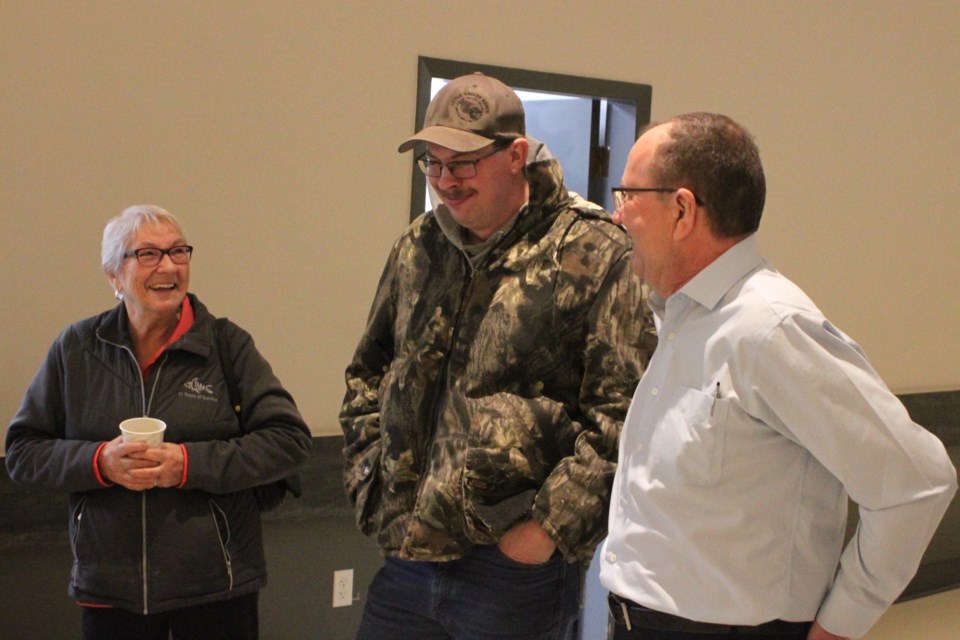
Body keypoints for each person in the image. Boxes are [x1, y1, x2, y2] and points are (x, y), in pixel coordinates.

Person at [600, 112, 958, 640]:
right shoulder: (681, 317)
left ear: (681, 210)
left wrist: (839, 626)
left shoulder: (769, 328)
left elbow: (917, 483)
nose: (617, 216)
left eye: (628, 195)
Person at [340, 72, 655, 640]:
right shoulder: (419, 246)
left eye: (462, 163)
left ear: (515, 155)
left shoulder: (591, 251)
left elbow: (625, 413)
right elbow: (369, 370)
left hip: (511, 570)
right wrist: (372, 479)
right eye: (432, 164)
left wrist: (547, 530)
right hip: (408, 554)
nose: (445, 181)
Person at [5, 204, 312, 640]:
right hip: (110, 591)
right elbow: (22, 452)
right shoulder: (76, 348)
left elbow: (288, 441)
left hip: (216, 589)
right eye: (148, 254)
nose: (168, 265)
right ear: (113, 275)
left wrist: (187, 464)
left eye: (178, 252)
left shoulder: (226, 344)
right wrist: (100, 462)